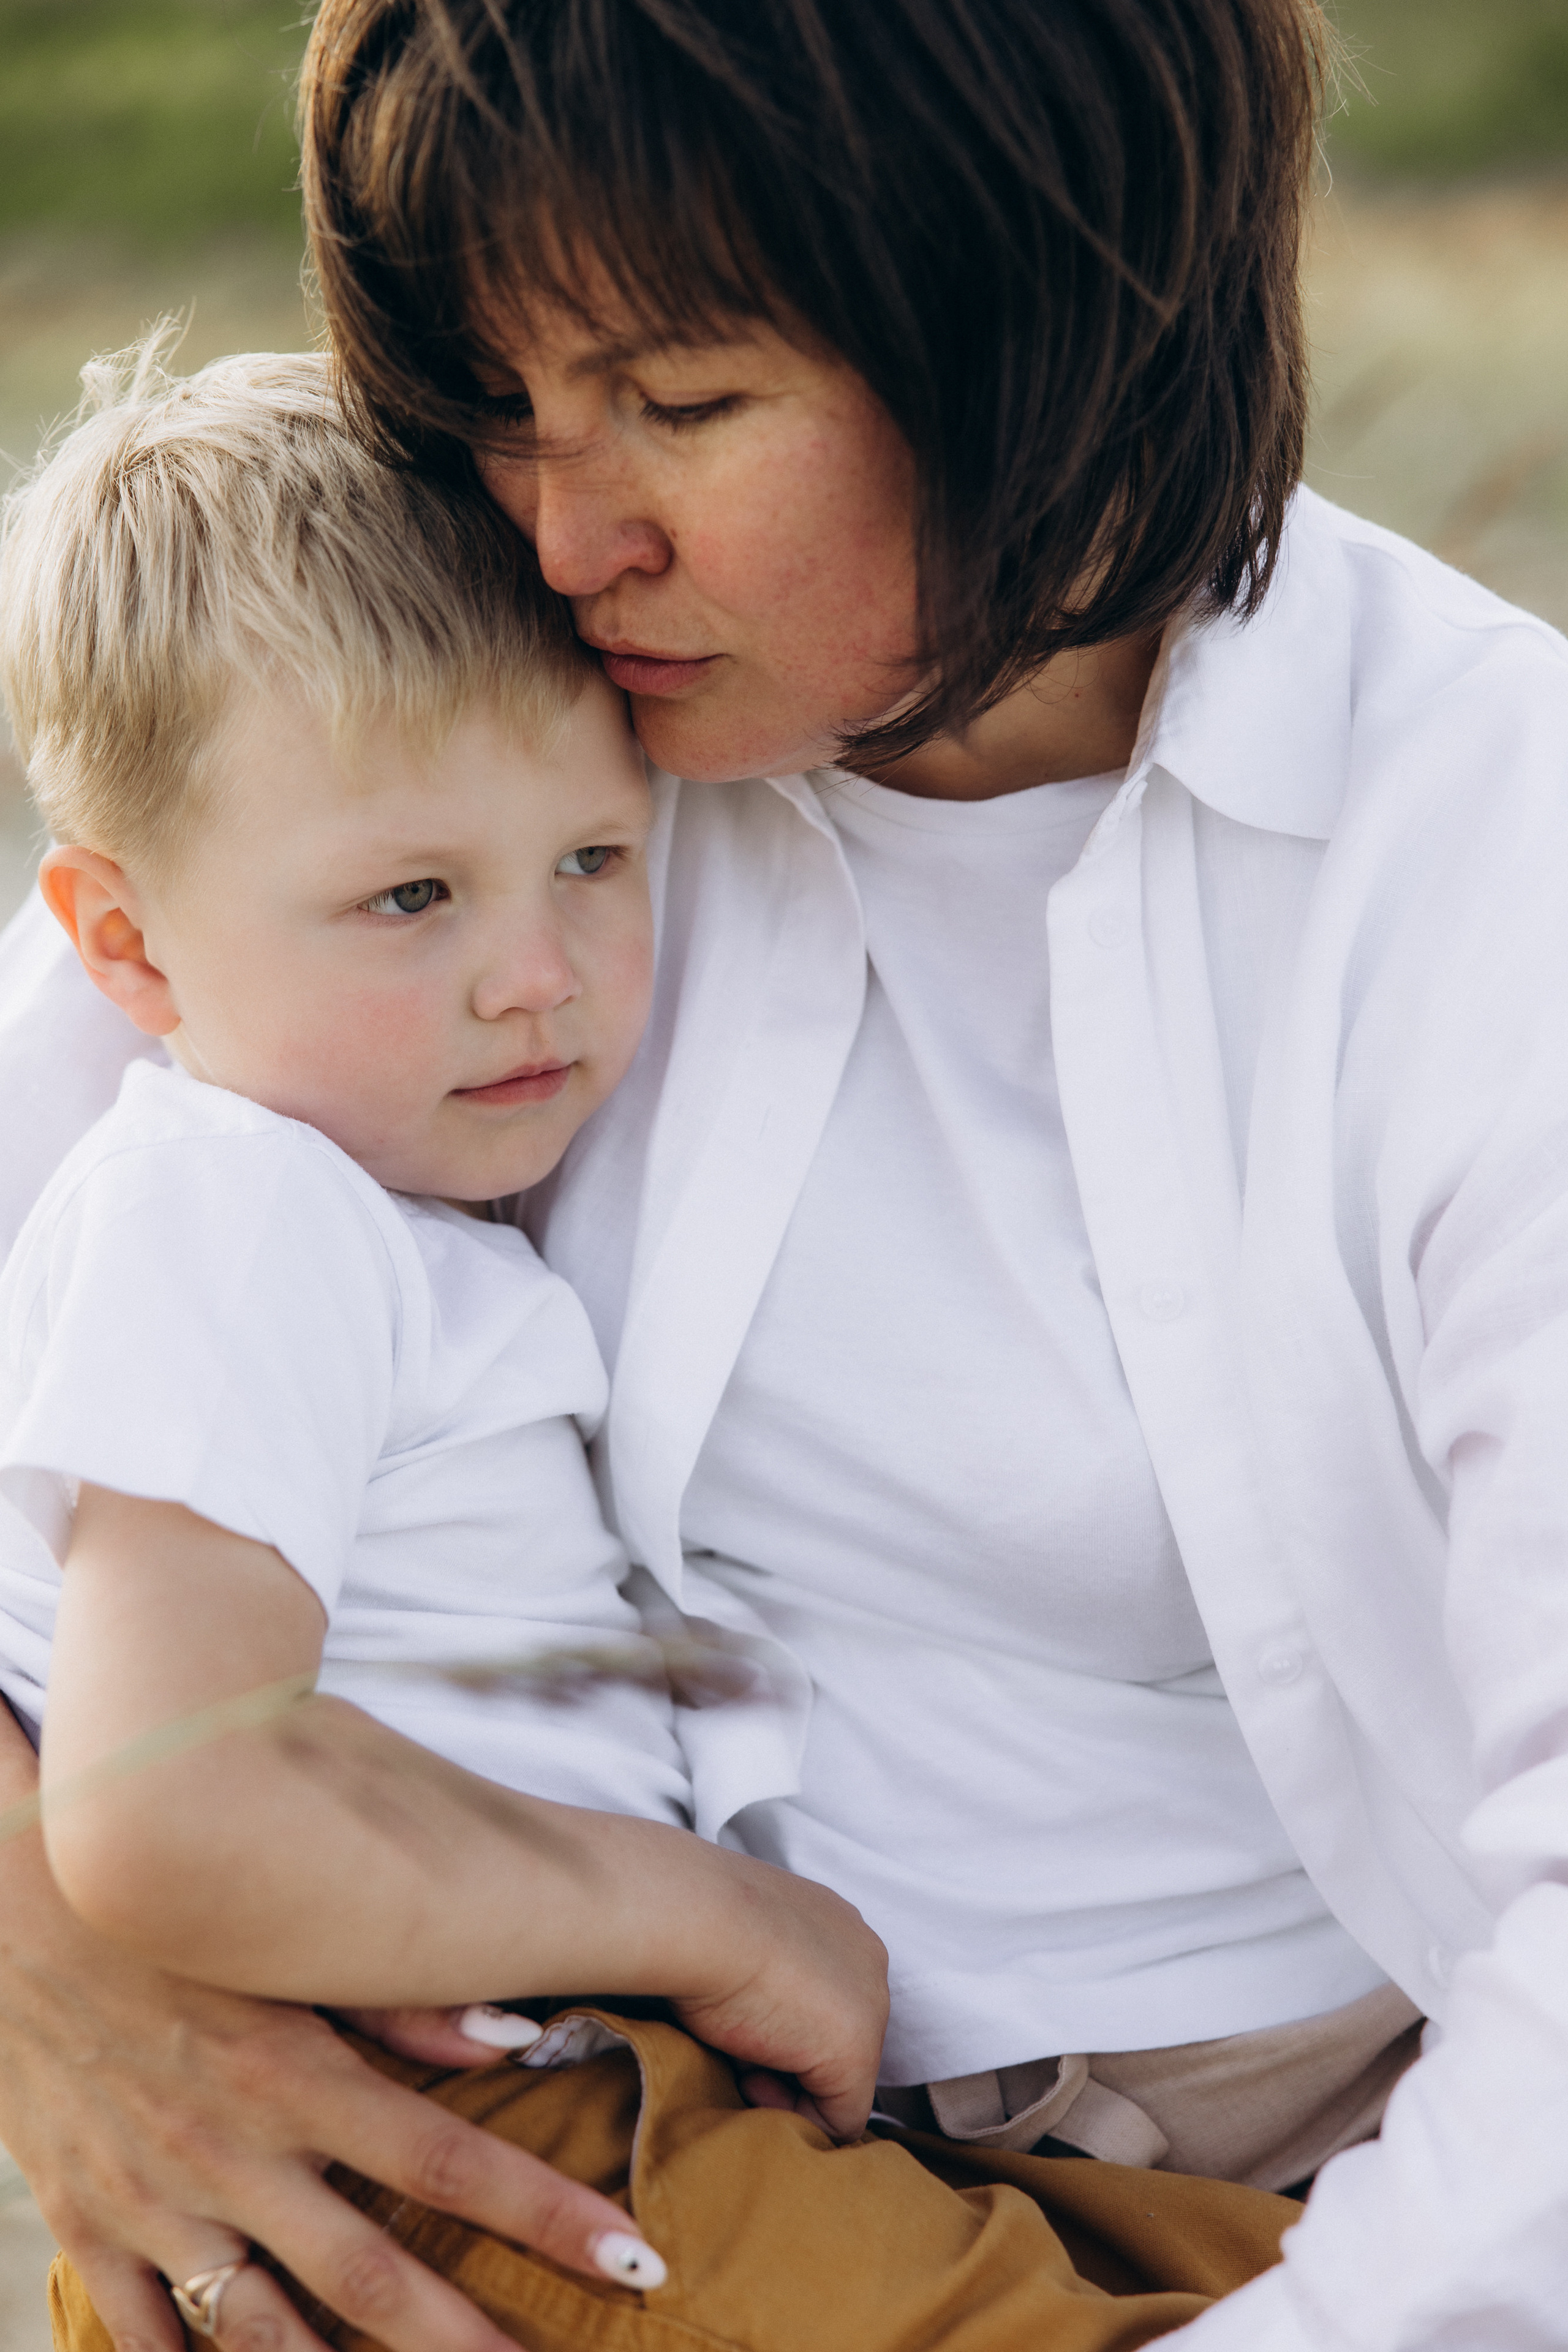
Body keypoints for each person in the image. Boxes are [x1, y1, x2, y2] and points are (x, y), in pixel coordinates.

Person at [1, 0, 1566, 2345]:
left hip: (1335, 2191)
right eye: (501, 401)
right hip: (605, 2133)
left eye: (685, 402)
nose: (559, 525)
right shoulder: (469, 726)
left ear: (1045, 316)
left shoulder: (1486, 883)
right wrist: (47, 1980)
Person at [0, 342, 894, 2329]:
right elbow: (165, 1802)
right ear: (127, 948)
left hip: (526, 2122)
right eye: (411, 896)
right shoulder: (236, 1211)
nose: (533, 978)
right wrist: (727, 1921)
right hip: (448, 2145)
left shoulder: (357, 1212)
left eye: (591, 859)